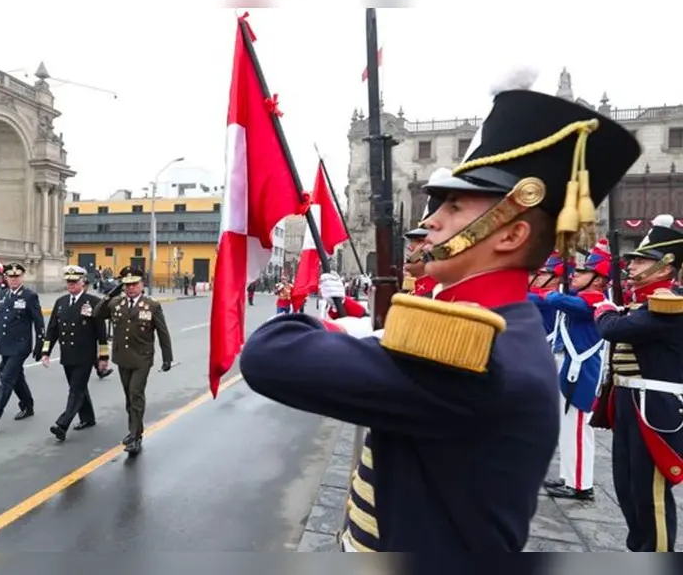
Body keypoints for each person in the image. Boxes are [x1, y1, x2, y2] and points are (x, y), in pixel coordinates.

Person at [239, 76, 640, 551]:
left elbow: (269, 354)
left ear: (509, 234)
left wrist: (342, 330)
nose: (430, 220)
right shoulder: (495, 323)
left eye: (453, 206)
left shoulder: (474, 357)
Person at [593, 213, 683, 552]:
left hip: (655, 410)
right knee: (628, 491)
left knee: (650, 498)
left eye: (642, 260)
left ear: (665, 267)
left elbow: (615, 330)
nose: (631, 266)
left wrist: (604, 310)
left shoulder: (669, 303)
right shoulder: (642, 302)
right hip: (631, 405)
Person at [542, 238, 613, 501]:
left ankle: (582, 485)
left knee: (579, 429)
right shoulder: (581, 296)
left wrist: (553, 290)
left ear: (598, 280)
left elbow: (558, 301)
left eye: (583, 272)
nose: (576, 274)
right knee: (568, 427)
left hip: (583, 372)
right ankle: (569, 477)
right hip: (570, 369)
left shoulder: (593, 301)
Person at [94, 266, 173, 456]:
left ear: (142, 284)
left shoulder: (151, 305)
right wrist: (112, 291)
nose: (130, 288)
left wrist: (167, 357)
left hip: (142, 359)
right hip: (123, 357)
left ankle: (135, 437)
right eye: (127, 285)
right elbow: (97, 313)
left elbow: (163, 332)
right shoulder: (116, 303)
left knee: (136, 394)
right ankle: (135, 430)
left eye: (134, 284)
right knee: (129, 398)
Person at [42, 265, 110, 441]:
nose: (71, 285)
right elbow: (52, 330)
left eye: (74, 282)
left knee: (75, 390)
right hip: (67, 355)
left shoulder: (93, 302)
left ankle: (62, 424)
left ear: (83, 283)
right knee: (79, 389)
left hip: (85, 355)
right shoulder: (61, 302)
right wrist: (46, 352)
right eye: (69, 282)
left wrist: (103, 358)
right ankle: (88, 418)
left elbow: (101, 333)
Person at [0, 263, 45, 429]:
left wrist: (40, 345)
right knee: (17, 377)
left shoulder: (29, 296)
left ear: (22, 277)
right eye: (11, 277)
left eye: (17, 277)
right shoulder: (3, 294)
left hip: (21, 345)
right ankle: (27, 404)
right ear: (6, 278)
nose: (14, 280)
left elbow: (39, 322)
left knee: (6, 378)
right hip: (6, 344)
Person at [401, 191, 443, 297]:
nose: (410, 247)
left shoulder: (434, 295)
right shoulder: (417, 291)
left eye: (420, 241)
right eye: (412, 241)